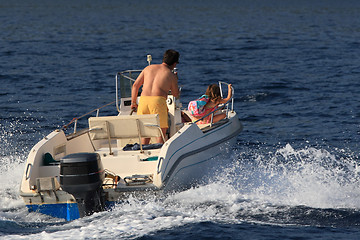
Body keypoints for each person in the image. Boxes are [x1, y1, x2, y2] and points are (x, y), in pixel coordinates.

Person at [131, 49, 180, 144]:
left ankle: (143, 152)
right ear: (174, 64)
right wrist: (175, 79)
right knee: (160, 133)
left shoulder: (148, 68)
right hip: (158, 102)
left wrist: (133, 102)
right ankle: (159, 154)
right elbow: (175, 94)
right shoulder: (171, 75)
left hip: (143, 101)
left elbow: (135, 86)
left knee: (146, 132)